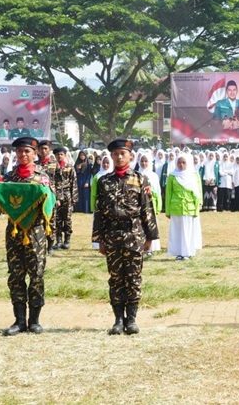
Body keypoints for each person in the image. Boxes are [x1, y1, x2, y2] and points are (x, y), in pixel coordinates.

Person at [92, 139, 159, 335]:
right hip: (112, 236)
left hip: (134, 235)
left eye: (123, 153)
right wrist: (99, 239)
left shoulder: (140, 179)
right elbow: (99, 212)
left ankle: (131, 319)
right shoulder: (104, 181)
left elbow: (147, 209)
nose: (119, 157)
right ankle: (118, 320)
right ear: (111, 156)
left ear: (131, 156)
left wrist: (150, 237)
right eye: (116, 154)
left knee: (133, 278)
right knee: (115, 279)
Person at [0, 137, 56, 336]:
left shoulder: (42, 177)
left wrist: (50, 234)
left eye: (27, 151)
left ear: (35, 153)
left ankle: (35, 320)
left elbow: (52, 203)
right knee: (16, 276)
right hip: (14, 232)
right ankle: (19, 320)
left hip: (36, 232)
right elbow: (1, 202)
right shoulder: (9, 177)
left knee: (36, 275)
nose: (23, 155)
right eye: (19, 151)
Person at [166, 153, 203, 260]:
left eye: (183, 162)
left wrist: (197, 208)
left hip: (189, 207)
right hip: (176, 207)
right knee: (177, 231)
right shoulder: (172, 176)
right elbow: (168, 194)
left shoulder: (194, 175)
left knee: (188, 231)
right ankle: (178, 252)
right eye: (179, 163)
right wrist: (168, 211)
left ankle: (187, 253)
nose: (181, 165)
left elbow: (198, 193)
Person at [52, 146, 78, 250]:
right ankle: (58, 240)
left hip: (67, 195)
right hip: (56, 196)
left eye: (61, 154)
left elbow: (74, 182)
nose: (59, 156)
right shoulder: (52, 168)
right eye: (57, 155)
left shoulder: (70, 167)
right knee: (57, 219)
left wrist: (74, 198)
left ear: (65, 155)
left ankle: (67, 240)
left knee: (67, 219)